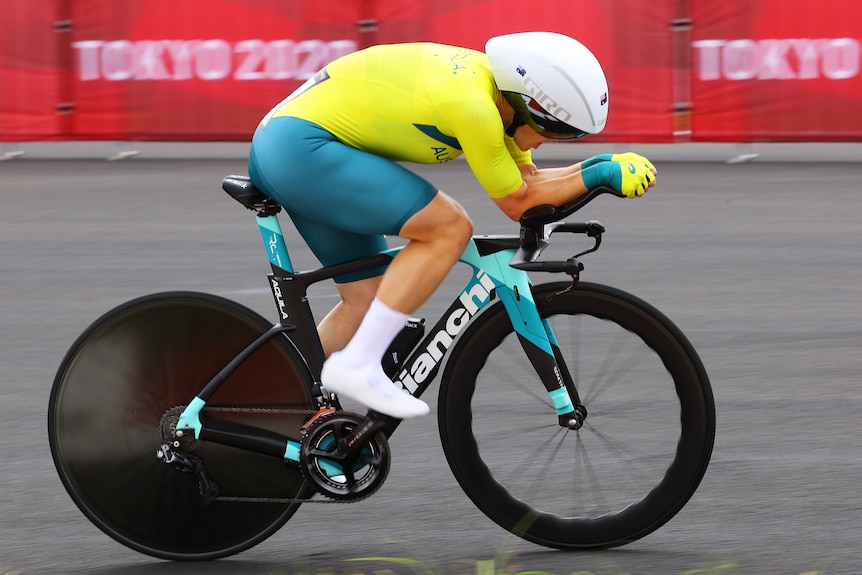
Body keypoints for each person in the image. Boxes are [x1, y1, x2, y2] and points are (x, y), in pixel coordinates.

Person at [248, 31, 657, 419]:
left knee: (370, 299)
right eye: (554, 132)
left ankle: (262, 404)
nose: (547, 143)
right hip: (299, 148)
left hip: (296, 146)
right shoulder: (474, 107)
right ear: (530, 106)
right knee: (448, 227)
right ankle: (357, 365)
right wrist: (599, 174)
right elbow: (518, 204)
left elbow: (529, 184)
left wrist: (599, 165)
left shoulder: (498, 98)